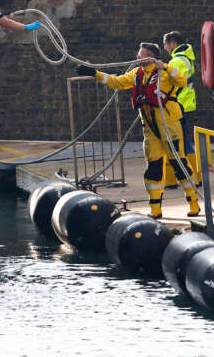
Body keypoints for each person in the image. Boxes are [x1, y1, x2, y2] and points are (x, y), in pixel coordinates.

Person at [78, 43, 202, 218]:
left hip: (170, 125)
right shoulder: (137, 74)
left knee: (178, 163)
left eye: (141, 55)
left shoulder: (165, 72)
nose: (137, 58)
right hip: (150, 128)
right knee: (153, 167)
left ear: (150, 56)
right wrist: (94, 73)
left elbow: (182, 80)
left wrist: (165, 66)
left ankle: (194, 203)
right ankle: (155, 209)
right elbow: (117, 82)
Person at [162, 31, 199, 161]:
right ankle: (193, 171)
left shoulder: (176, 61)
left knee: (182, 139)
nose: (165, 48)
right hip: (186, 103)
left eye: (165, 44)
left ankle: (194, 171)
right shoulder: (186, 58)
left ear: (173, 43)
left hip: (180, 105)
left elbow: (173, 85)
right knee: (184, 137)